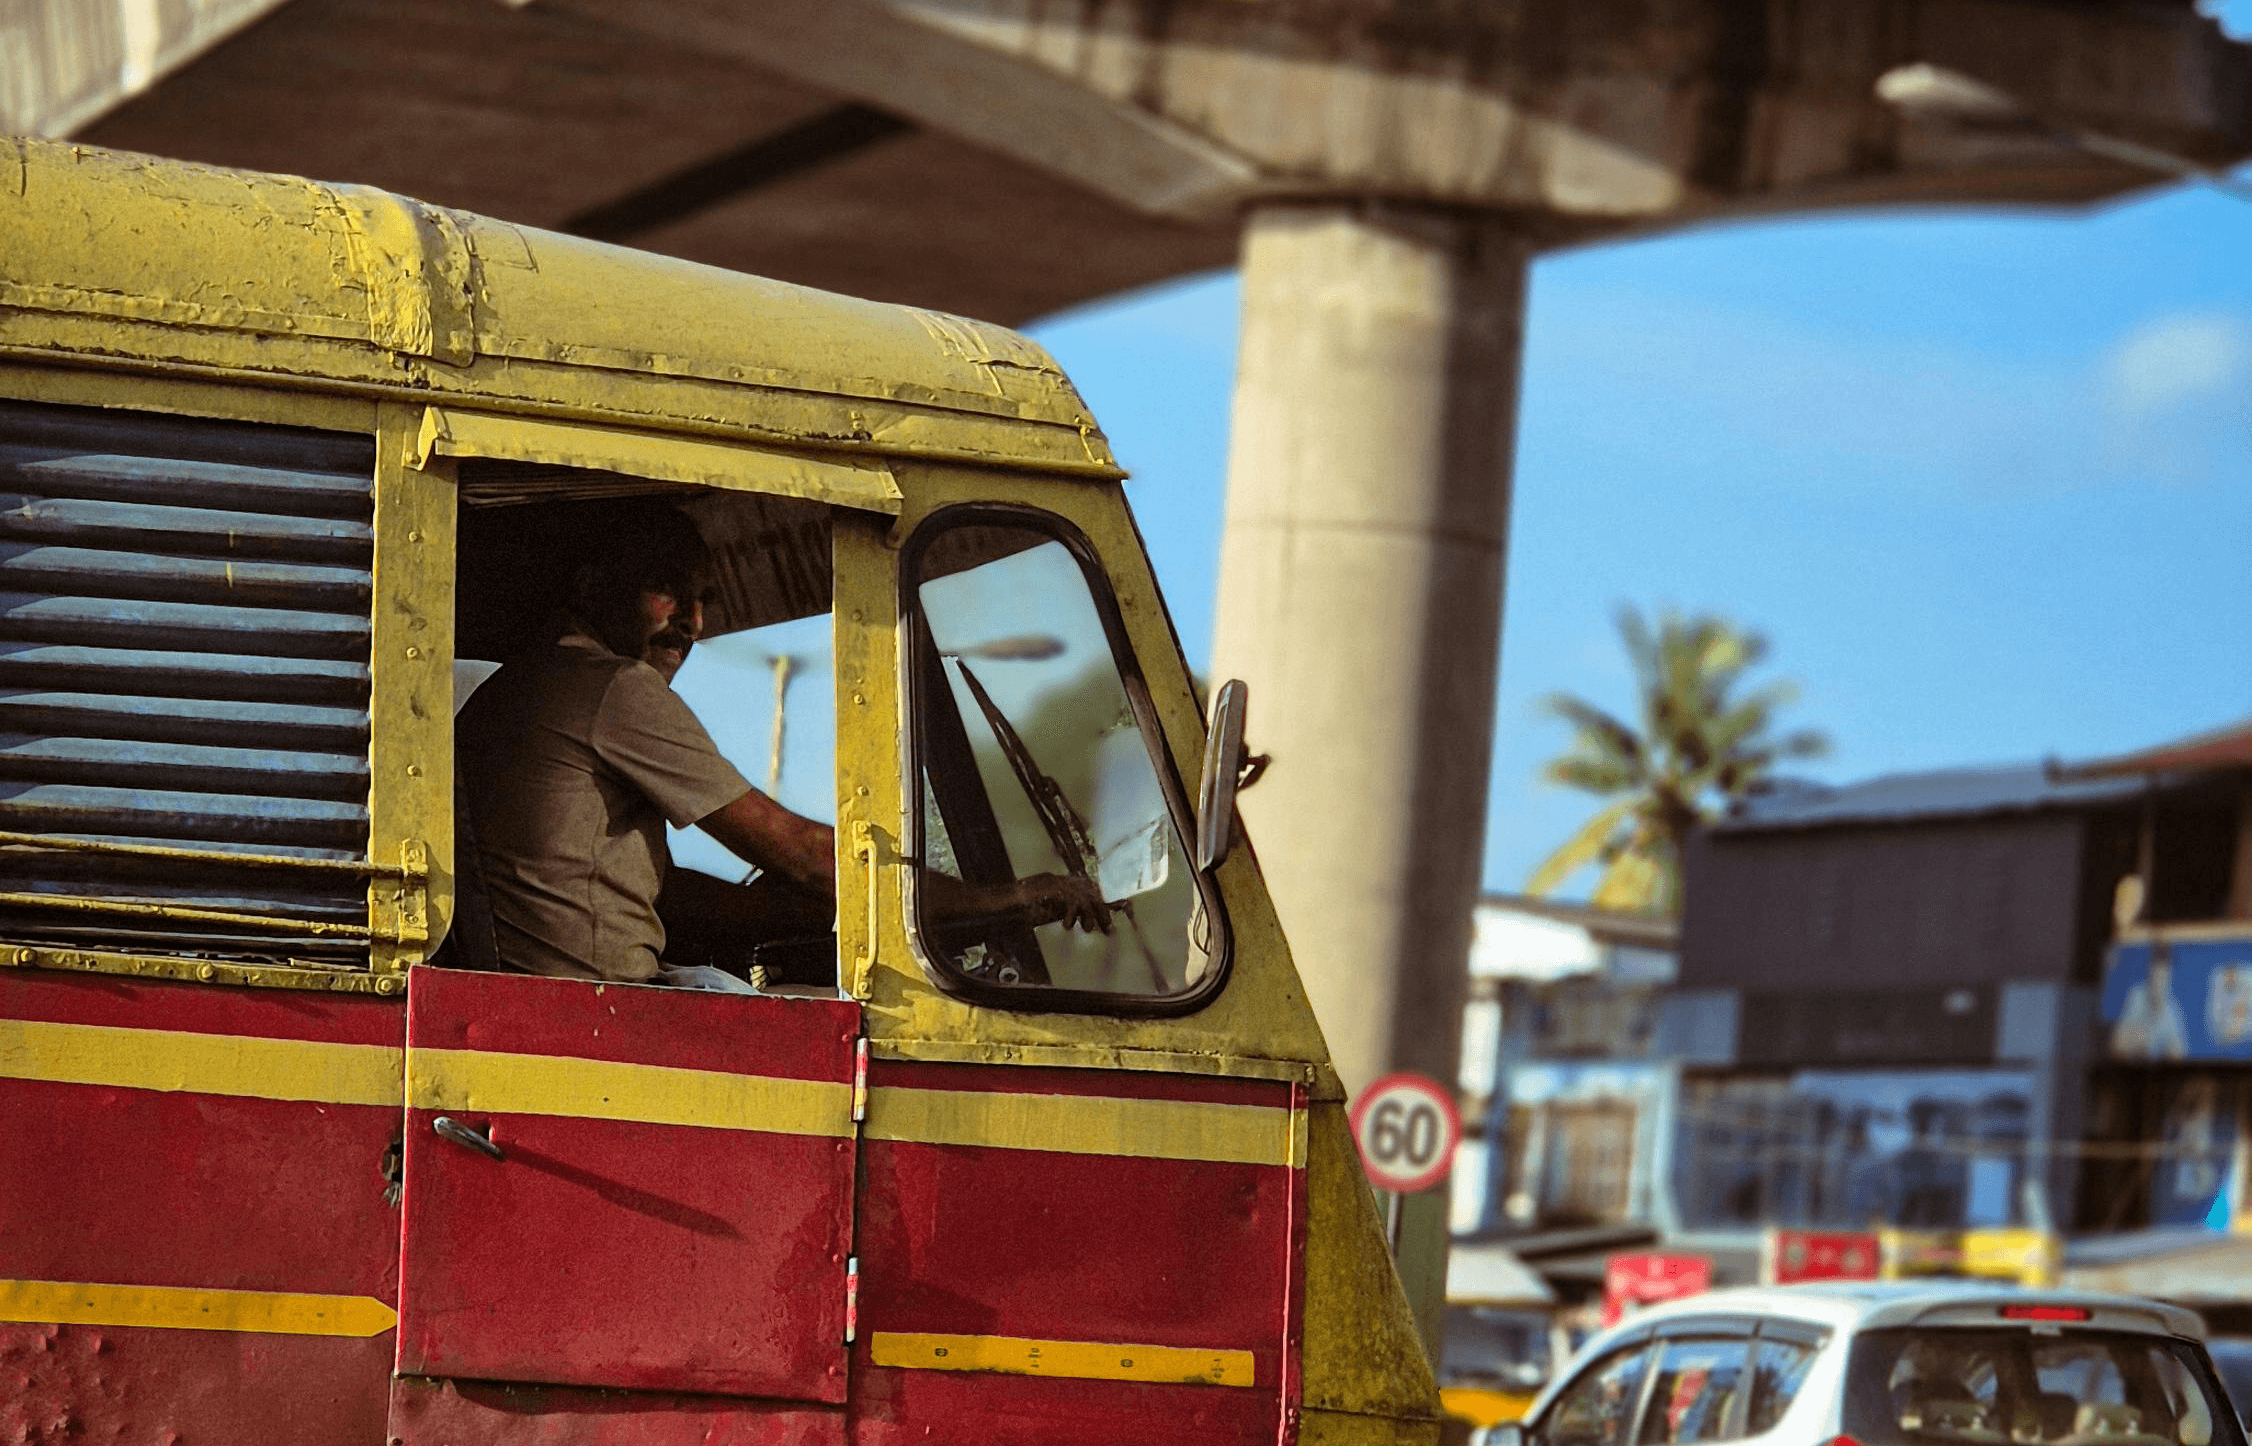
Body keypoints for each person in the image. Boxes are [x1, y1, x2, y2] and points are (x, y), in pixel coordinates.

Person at [455, 505, 1103, 988]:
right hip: (597, 1015)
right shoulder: (613, 687)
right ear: (593, 586)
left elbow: (660, 895)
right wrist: (1008, 900)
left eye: (704, 600)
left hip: (543, 1001)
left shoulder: (519, 690)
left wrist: (789, 905)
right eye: (668, 591)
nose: (693, 622)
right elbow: (796, 851)